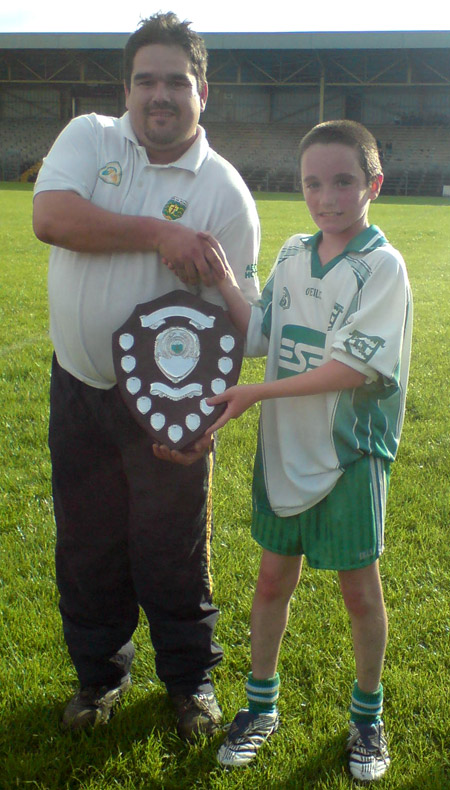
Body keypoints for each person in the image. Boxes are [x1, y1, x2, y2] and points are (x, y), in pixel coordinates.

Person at [32, 11, 260, 739]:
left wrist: (208, 421)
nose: (160, 95)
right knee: (87, 542)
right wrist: (161, 231)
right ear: (127, 87)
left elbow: (238, 320)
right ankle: (99, 678)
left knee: (172, 549)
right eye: (146, 80)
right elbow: (51, 218)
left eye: (176, 81)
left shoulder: (224, 193)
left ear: (203, 92)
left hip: (167, 410)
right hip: (79, 385)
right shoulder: (90, 138)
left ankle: (191, 683)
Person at [197, 120, 412, 781]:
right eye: (313, 183)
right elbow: (261, 333)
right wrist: (227, 283)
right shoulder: (292, 253)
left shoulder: (382, 266)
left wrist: (258, 393)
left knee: (357, 592)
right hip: (285, 447)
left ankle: (367, 716)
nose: (327, 197)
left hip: (349, 452)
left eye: (343, 182)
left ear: (373, 184)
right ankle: (260, 707)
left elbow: (354, 369)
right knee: (270, 581)